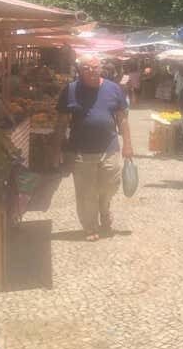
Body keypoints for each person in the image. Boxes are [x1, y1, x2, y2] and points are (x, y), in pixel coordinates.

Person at [54, 54, 133, 242]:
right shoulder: (70, 90)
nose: (91, 71)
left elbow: (122, 118)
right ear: (79, 70)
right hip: (81, 151)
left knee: (110, 184)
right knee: (85, 192)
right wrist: (56, 148)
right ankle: (90, 226)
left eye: (95, 67)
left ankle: (104, 208)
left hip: (109, 148)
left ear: (101, 68)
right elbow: (61, 122)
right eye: (87, 68)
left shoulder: (113, 89)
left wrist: (128, 145)